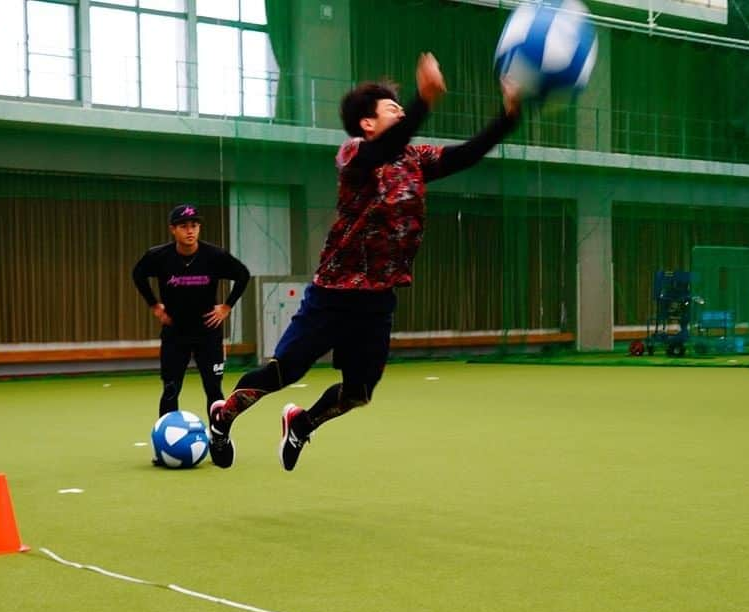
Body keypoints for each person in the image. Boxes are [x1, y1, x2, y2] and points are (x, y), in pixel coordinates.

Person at [207, 53, 522, 471]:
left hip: (377, 300)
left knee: (359, 392)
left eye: (404, 107)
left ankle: (301, 423)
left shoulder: (414, 160)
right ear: (366, 123)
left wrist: (509, 116)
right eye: (393, 108)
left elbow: (466, 154)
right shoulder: (354, 156)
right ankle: (223, 417)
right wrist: (424, 101)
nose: (403, 111)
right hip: (333, 294)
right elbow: (382, 152)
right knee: (283, 371)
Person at [131, 204, 251, 431]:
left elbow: (243, 275)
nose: (190, 231)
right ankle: (165, 443)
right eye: (184, 226)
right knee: (171, 388)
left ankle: (219, 441)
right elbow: (138, 274)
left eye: (194, 226)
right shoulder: (159, 256)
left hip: (208, 332)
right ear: (172, 230)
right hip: (176, 333)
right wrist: (154, 305)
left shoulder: (214, 256)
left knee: (214, 390)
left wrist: (226, 306)